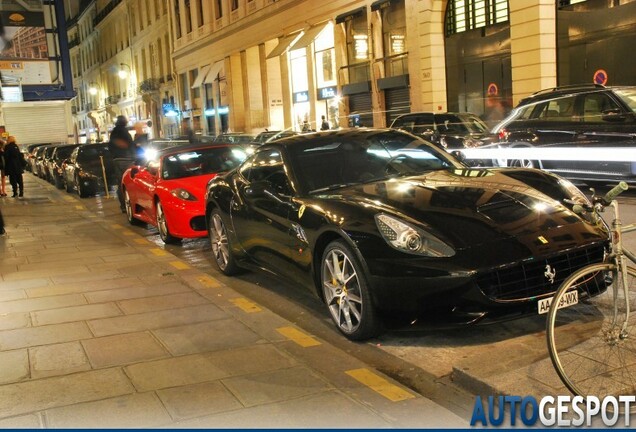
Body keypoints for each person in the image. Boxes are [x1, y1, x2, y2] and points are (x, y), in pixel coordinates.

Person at [108, 115, 134, 212]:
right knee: (129, 182)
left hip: (116, 160)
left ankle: (123, 205)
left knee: (120, 183)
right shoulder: (124, 131)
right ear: (124, 122)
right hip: (126, 159)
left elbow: (110, 146)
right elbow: (130, 144)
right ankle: (130, 204)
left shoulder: (114, 132)